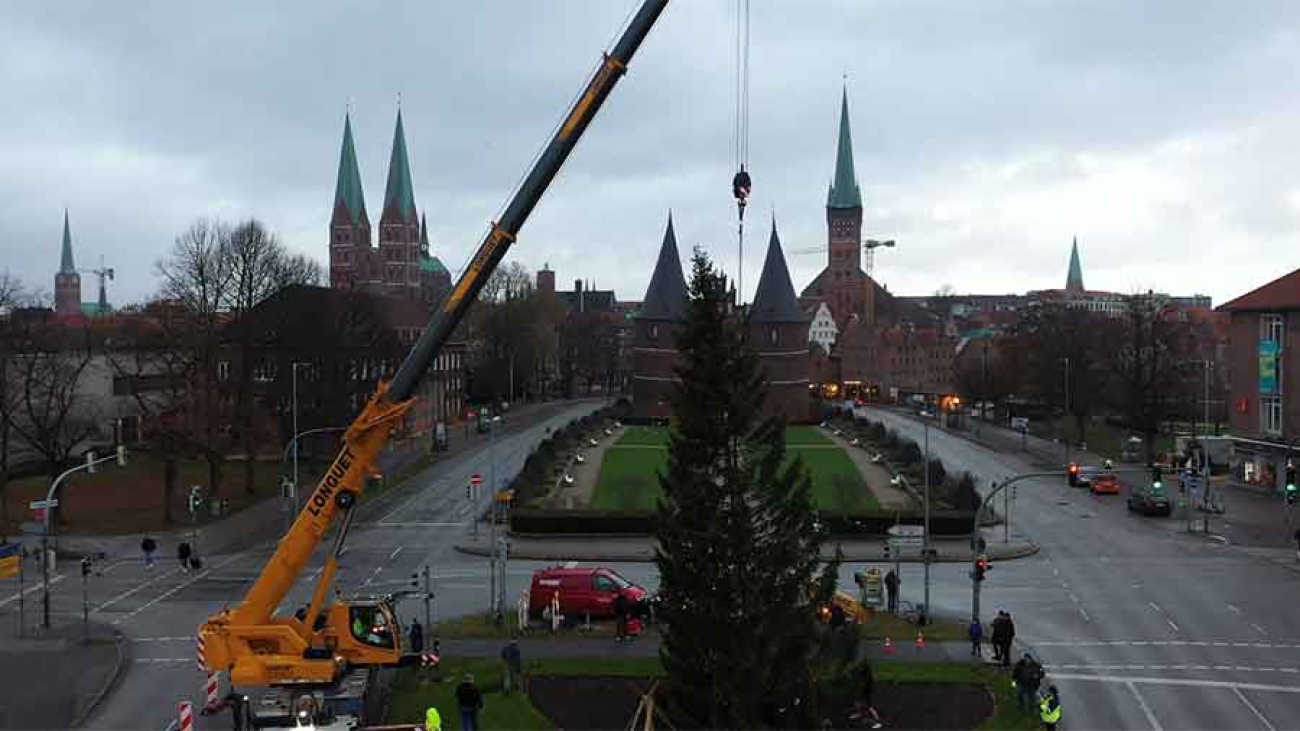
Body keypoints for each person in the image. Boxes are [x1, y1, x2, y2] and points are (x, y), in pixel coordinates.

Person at [848, 662, 883, 729]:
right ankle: (859, 713)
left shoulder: (868, 678)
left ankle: (878, 722)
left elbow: (865, 684)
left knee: (869, 707)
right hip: (863, 690)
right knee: (858, 702)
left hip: (867, 692)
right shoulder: (862, 674)